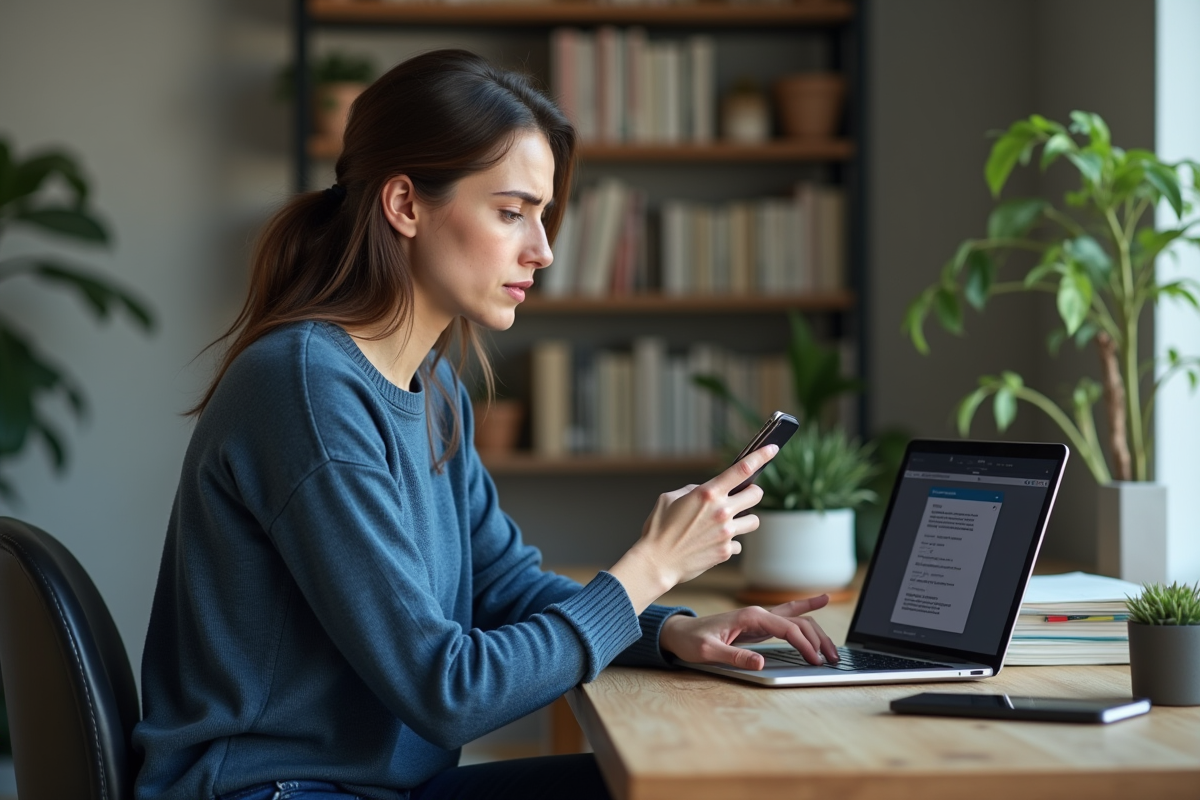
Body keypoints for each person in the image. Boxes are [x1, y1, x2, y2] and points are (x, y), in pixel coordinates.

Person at [133, 49, 837, 800]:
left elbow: (501, 585)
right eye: (511, 213)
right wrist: (648, 568)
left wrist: (663, 628)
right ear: (404, 205)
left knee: (703, 782)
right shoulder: (306, 390)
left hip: (374, 790)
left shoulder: (432, 385)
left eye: (542, 215)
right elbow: (448, 692)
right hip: (274, 792)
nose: (544, 251)